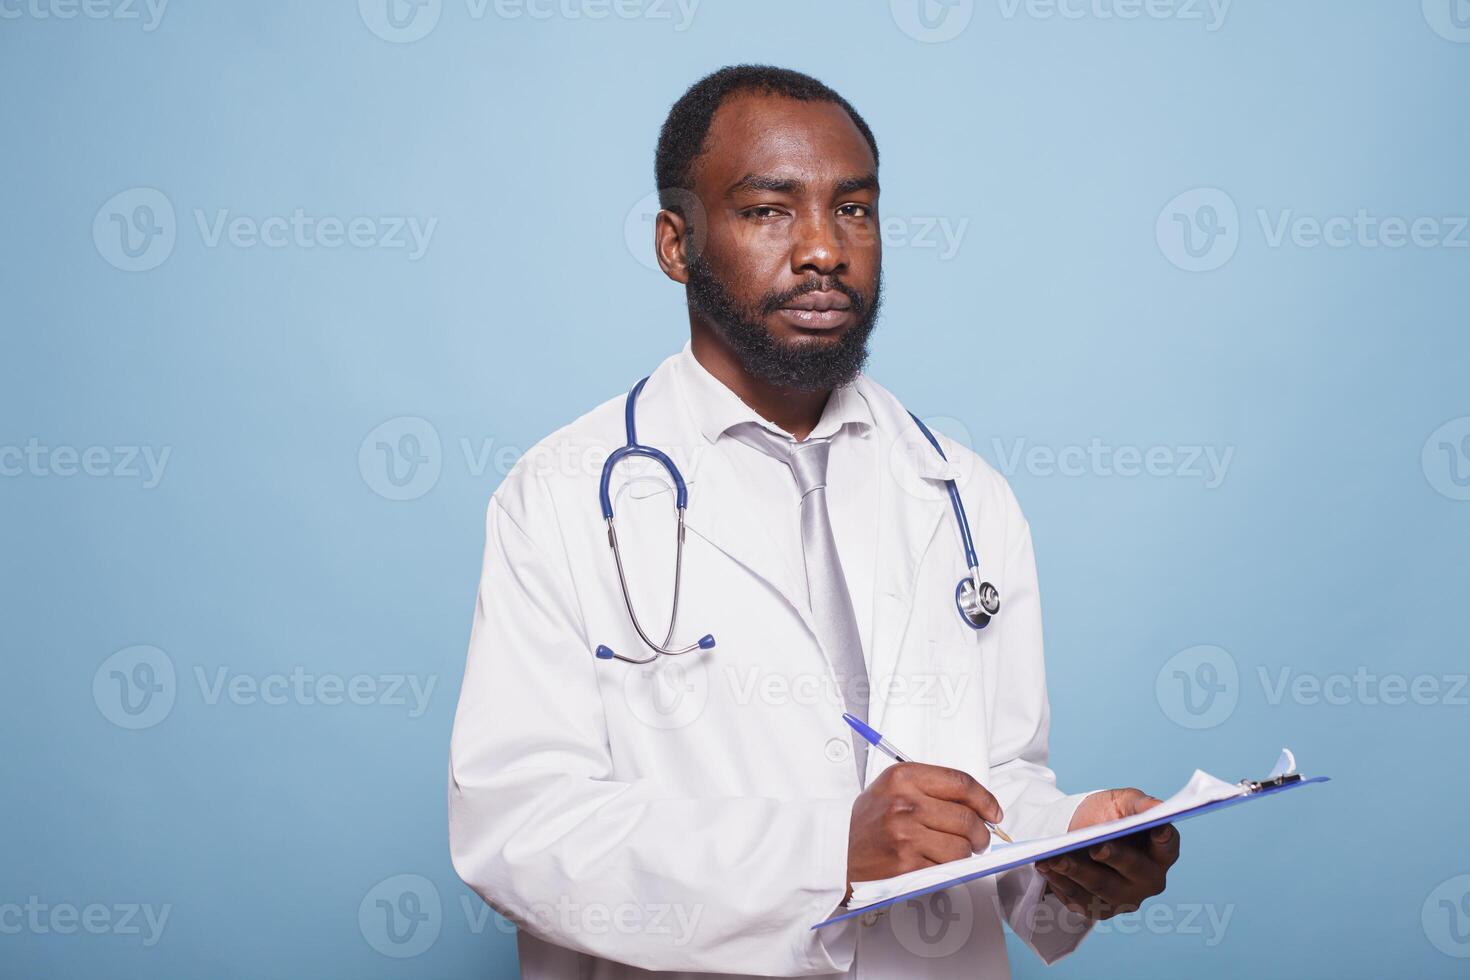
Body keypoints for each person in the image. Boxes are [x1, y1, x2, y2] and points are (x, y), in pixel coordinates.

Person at [449, 64, 1180, 979]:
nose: (824, 250)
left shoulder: (963, 493)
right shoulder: (559, 496)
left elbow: (996, 786)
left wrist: (1069, 855)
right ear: (676, 244)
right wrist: (824, 852)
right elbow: (520, 829)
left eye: (855, 210)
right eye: (768, 210)